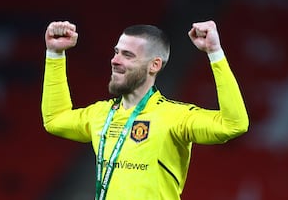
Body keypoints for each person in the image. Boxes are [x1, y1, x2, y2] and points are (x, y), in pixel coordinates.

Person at [41, 20, 249, 200]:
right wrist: (55, 54)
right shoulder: (101, 115)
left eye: (128, 55)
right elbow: (55, 120)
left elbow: (233, 125)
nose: (115, 60)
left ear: (154, 65)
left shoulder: (176, 117)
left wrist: (215, 53)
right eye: (116, 52)